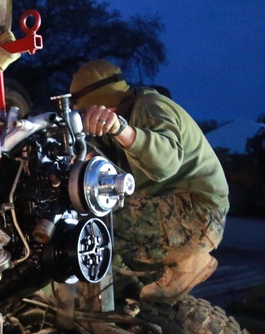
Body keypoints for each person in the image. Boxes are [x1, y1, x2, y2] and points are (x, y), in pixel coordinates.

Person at [69, 59, 229, 302]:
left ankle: (183, 263)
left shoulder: (151, 107)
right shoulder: (130, 109)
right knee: (97, 212)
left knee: (93, 225)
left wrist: (120, 129)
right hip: (180, 209)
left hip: (199, 215)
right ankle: (135, 287)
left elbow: (166, 164)